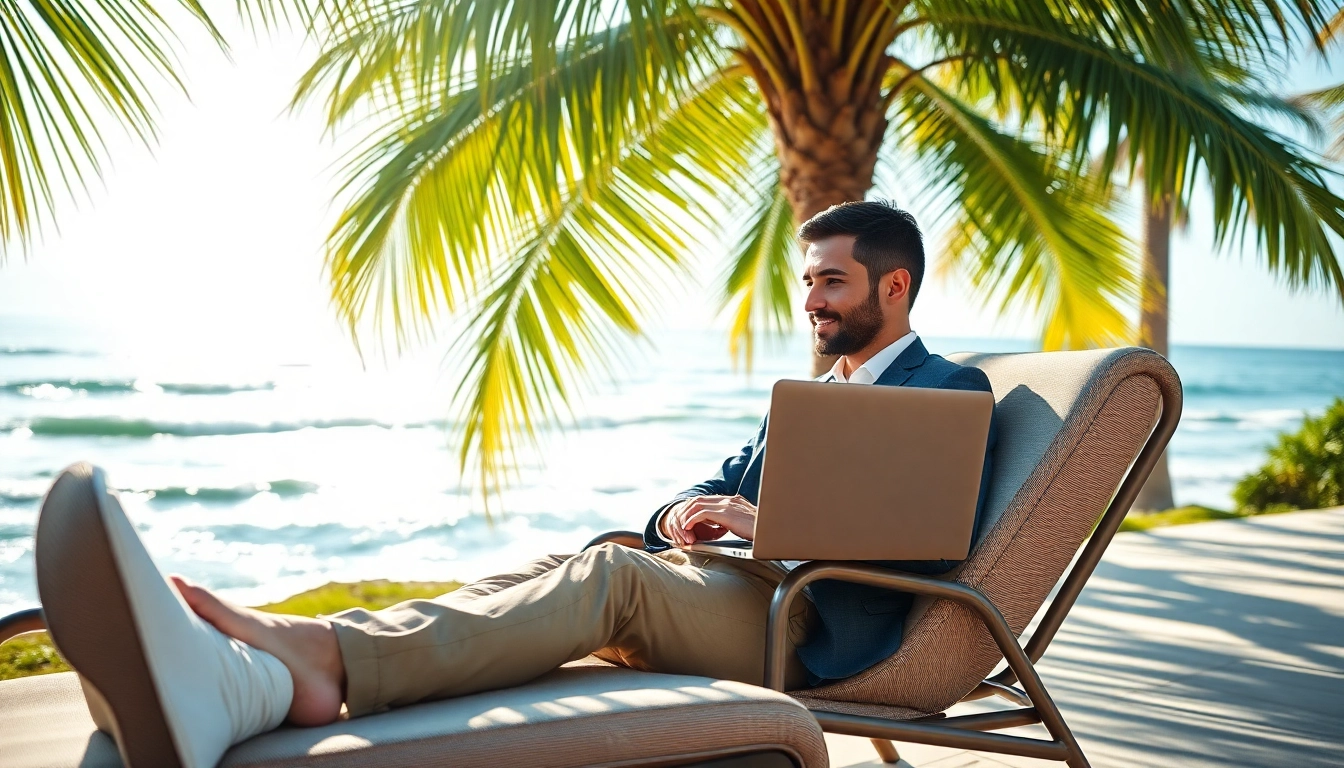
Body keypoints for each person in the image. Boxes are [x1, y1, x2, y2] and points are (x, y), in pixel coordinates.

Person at [47, 201, 995, 755]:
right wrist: (686, 515)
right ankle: (278, 664)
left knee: (607, 582)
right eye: (809, 283)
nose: (813, 300)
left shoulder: (947, 392)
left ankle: (313, 669)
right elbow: (717, 482)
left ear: (894, 286)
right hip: (740, 583)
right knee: (566, 562)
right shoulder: (816, 391)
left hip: (809, 623)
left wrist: (765, 521)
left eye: (830, 281)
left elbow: (919, 540)